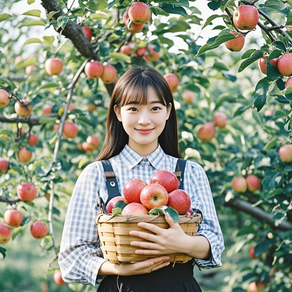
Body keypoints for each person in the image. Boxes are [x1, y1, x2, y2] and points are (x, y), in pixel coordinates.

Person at [58, 66, 224, 292]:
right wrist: (117, 269)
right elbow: (71, 257)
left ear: (168, 111)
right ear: (118, 112)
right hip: (120, 286)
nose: (144, 120)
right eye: (133, 108)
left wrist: (184, 243)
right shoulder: (97, 174)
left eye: (155, 108)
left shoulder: (190, 172)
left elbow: (214, 242)